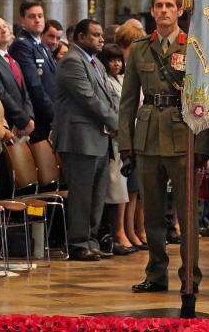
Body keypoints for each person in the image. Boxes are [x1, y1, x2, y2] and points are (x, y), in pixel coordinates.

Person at [118, 0, 200, 292]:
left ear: (179, 11)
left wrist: (200, 147)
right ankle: (155, 274)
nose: (164, 11)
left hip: (182, 136)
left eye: (170, 6)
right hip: (148, 137)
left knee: (186, 213)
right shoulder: (141, 48)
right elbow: (127, 100)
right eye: (159, 6)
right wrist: (125, 145)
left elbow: (202, 98)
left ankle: (190, 277)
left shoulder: (192, 46)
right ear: (152, 12)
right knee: (152, 212)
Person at [53, 19, 118, 261]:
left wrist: (116, 118)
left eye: (102, 34)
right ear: (80, 37)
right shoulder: (72, 61)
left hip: (98, 137)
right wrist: (116, 123)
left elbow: (109, 95)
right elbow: (87, 98)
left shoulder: (96, 63)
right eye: (95, 35)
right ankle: (79, 242)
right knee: (82, 194)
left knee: (97, 194)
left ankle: (91, 239)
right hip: (78, 139)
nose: (102, 39)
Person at [114, 19, 148, 249]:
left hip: (140, 131)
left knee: (136, 188)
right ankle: (122, 230)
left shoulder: (137, 64)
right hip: (122, 133)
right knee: (123, 188)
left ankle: (136, 228)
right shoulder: (119, 70)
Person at [97, 43, 133, 255]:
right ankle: (117, 231)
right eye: (111, 60)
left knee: (127, 187)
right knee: (116, 187)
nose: (116, 63)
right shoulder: (106, 81)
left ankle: (125, 230)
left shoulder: (122, 79)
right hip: (113, 137)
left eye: (119, 59)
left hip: (126, 136)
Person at [10, 2, 58, 141]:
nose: (37, 20)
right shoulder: (22, 45)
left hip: (48, 118)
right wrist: (53, 114)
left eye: (40, 16)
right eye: (32, 16)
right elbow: (34, 85)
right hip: (39, 118)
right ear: (22, 20)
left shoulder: (41, 45)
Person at [0, 16, 36, 141]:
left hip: (22, 127)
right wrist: (23, 120)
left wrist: (29, 118)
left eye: (5, 26)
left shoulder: (13, 61)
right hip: (7, 127)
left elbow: (25, 93)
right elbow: (1, 94)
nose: (3, 30)